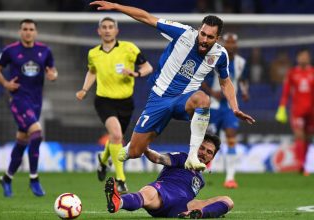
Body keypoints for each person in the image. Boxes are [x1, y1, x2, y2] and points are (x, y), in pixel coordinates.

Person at [89, 1, 255, 171]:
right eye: (202, 34)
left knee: (203, 99)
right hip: (159, 98)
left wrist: (234, 107)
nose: (204, 40)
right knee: (134, 152)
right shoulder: (182, 33)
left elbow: (225, 81)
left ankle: (192, 156)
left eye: (210, 37)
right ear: (199, 30)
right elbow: (147, 17)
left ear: (217, 38)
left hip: (184, 100)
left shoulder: (220, 54)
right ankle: (134, 146)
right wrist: (117, 6)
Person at [76, 17, 153, 193]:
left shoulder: (129, 48)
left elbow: (148, 67)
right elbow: (92, 71)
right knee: (117, 136)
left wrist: (135, 73)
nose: (108, 30)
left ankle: (103, 161)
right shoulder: (93, 53)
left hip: (126, 102)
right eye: (104, 27)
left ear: (116, 31)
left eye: (111, 27)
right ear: (99, 31)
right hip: (104, 100)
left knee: (115, 139)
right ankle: (120, 180)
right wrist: (84, 89)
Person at [0, 19, 58, 197]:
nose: (28, 32)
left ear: (35, 32)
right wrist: (5, 83)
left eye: (31, 29)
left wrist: (53, 75)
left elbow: (53, 70)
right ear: (20, 32)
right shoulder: (10, 50)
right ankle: (34, 179)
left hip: (36, 102)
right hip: (18, 100)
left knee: (22, 141)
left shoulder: (45, 51)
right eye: (25, 29)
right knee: (36, 133)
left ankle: (7, 178)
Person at [104, 133, 234, 218]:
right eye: (202, 148)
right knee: (148, 193)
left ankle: (200, 213)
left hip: (183, 207)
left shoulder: (201, 180)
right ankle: (119, 202)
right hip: (164, 193)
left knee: (228, 200)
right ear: (195, 147)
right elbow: (160, 158)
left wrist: (214, 209)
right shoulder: (183, 157)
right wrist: (146, 149)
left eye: (209, 152)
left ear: (212, 157)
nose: (204, 153)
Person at [201, 33, 249, 189]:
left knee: (231, 137)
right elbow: (201, 79)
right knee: (209, 139)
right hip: (213, 105)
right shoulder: (214, 58)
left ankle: (230, 177)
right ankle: (202, 170)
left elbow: (242, 80)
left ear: (237, 45)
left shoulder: (241, 62)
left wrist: (244, 91)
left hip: (229, 107)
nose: (231, 45)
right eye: (228, 42)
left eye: (233, 43)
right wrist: (211, 92)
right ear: (223, 44)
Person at [275, 48, 314, 176]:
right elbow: (286, 92)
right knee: (299, 136)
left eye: (306, 56)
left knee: (308, 138)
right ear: (297, 58)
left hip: (311, 111)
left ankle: (303, 162)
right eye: (301, 56)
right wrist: (282, 108)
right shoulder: (292, 73)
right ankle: (301, 164)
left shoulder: (313, 72)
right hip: (297, 110)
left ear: (309, 58)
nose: (304, 58)